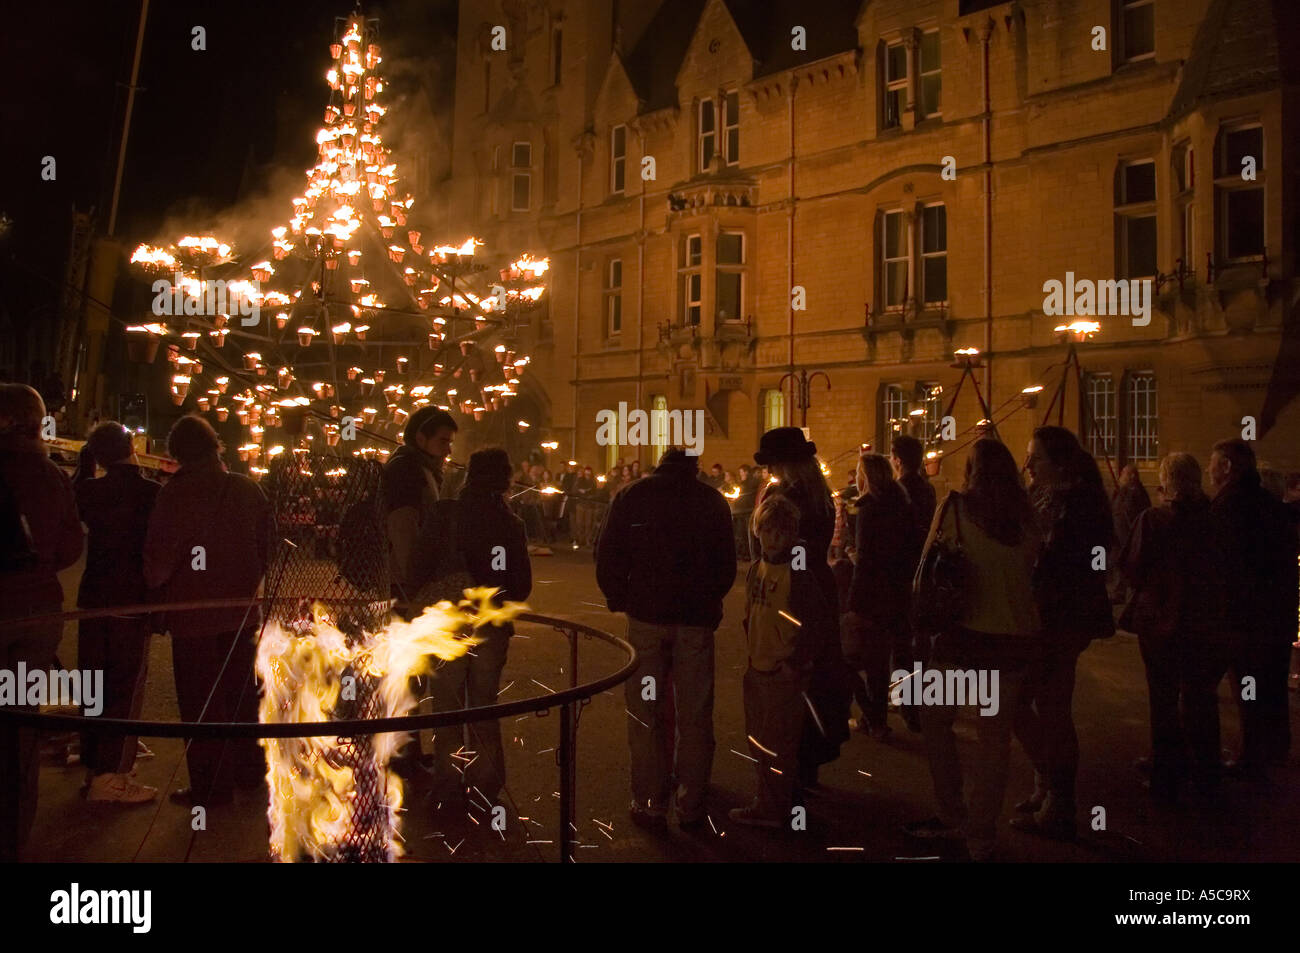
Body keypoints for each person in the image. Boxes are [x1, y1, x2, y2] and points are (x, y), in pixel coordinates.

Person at [907, 439, 1042, 861]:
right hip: (1016, 639)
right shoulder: (1026, 518)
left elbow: (926, 569)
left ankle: (951, 812)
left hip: (964, 637)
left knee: (935, 721)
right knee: (995, 742)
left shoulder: (955, 509)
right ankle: (981, 837)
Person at [596, 448, 736, 831]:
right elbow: (727, 563)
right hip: (695, 621)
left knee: (646, 711)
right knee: (694, 713)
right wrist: (710, 601)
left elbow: (607, 552)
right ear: (694, 469)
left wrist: (619, 597)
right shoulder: (711, 501)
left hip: (646, 617)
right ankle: (691, 801)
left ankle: (649, 799)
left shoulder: (632, 495)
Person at [144, 415, 272, 807]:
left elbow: (157, 568)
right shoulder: (248, 490)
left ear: (177, 453)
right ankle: (252, 772)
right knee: (242, 698)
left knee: (201, 703)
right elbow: (269, 549)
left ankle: (211, 787)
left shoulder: (175, 495)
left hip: (193, 617)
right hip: (241, 614)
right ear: (217, 447)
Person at [409, 448, 531, 806]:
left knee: (446, 705)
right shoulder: (510, 523)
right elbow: (520, 584)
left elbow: (418, 565)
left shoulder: (446, 514)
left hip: (447, 620)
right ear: (505, 479)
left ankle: (448, 784)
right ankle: (485, 785)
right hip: (489, 623)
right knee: (484, 704)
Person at [1012, 426, 1114, 841]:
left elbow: (1083, 568)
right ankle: (1047, 784)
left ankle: (1060, 801)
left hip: (1061, 621)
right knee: (1025, 701)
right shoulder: (1047, 497)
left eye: (1035, 457)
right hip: (1044, 617)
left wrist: (1042, 567)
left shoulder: (1079, 504)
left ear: (1057, 462)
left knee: (1051, 708)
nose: (1029, 465)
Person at [0, 384, 83, 859]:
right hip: (37, 614)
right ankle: (15, 831)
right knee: (22, 721)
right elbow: (72, 547)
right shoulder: (52, 476)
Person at [1119, 452, 1227, 802]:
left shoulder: (1153, 520)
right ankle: (1208, 773)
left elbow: (1133, 567)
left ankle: (1167, 774)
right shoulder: (1214, 521)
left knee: (1163, 698)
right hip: (1204, 621)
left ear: (1166, 482)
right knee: (1200, 696)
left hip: (1161, 622)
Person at [753, 427, 850, 789]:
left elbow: (775, 547)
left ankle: (787, 772)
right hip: (817, 584)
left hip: (791, 588)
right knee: (815, 674)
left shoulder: (787, 497)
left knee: (789, 675)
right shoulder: (820, 494)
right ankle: (808, 763)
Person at [730, 493, 831, 828]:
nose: (774, 539)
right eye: (768, 531)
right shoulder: (758, 568)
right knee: (758, 738)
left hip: (782, 669)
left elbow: (815, 621)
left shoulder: (797, 573)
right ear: (758, 531)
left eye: (782, 533)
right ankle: (772, 798)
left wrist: (797, 662)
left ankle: (774, 808)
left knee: (777, 743)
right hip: (758, 664)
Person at [74, 421, 161, 803]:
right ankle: (112, 775)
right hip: (131, 600)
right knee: (125, 686)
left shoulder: (87, 491)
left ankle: (95, 763)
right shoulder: (150, 492)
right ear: (132, 448)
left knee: (92, 682)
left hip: (93, 599)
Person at [1209, 438, 1299, 777]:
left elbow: (1224, 567)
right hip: (1276, 616)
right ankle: (1275, 747)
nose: (1210, 470)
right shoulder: (1269, 504)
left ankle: (1253, 756)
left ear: (1228, 467)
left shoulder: (1230, 507)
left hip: (1246, 621)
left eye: (1214, 463)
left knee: (1250, 687)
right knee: (1272, 686)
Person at [844, 453, 914, 738]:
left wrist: (854, 602)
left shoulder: (869, 509)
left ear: (867, 477)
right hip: (898, 591)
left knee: (855, 659)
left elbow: (867, 559)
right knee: (884, 657)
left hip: (873, 594)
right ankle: (878, 717)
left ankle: (875, 718)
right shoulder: (902, 504)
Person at [381, 407, 457, 603]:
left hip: (406, 579)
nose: (448, 450)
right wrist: (415, 580)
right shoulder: (406, 470)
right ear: (421, 439)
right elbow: (402, 526)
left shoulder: (423, 469)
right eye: (443, 441)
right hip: (401, 582)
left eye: (450, 442)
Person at [891, 433, 938, 671]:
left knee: (901, 638)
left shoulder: (897, 491)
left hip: (901, 571)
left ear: (897, 460)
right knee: (919, 632)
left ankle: (906, 694)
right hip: (924, 565)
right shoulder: (927, 489)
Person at [1110, 464, 1152, 604]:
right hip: (1117, 531)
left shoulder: (1138, 492)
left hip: (1130, 532)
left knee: (1130, 562)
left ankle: (1132, 594)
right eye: (1125, 474)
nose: (1122, 476)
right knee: (1118, 561)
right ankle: (1118, 592)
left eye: (1126, 474)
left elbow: (1141, 510)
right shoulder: (1119, 490)